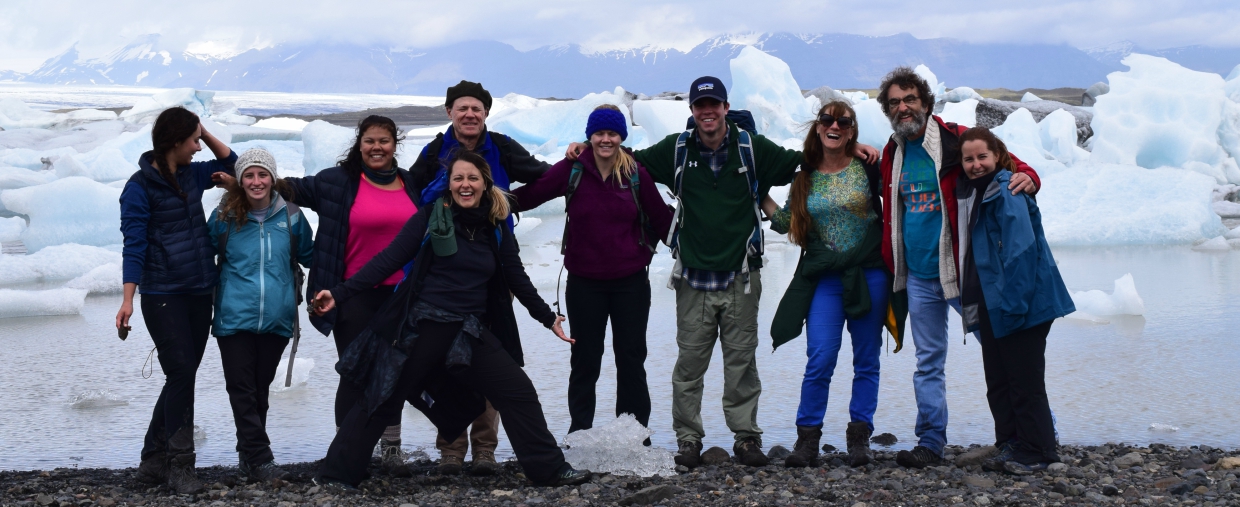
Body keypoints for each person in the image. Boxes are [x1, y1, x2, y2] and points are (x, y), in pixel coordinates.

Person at [563, 77, 877, 468]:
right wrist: (586, 147)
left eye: (714, 105)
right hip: (693, 277)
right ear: (693, 111)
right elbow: (628, 159)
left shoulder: (751, 148)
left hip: (740, 276)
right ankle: (689, 440)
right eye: (700, 106)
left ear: (726, 108)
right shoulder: (677, 149)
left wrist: (851, 145)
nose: (707, 112)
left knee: (742, 363)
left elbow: (801, 159)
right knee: (689, 366)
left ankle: (746, 440)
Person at [309, 150, 590, 490]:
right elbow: (387, 261)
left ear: (485, 183)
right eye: (458, 178)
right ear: (449, 183)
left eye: (472, 178)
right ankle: (336, 474)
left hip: (468, 331)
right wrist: (339, 293)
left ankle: (549, 470)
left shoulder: (495, 224)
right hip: (423, 326)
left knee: (517, 391)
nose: (465, 185)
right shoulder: (430, 216)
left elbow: (515, 275)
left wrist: (547, 318)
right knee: (383, 396)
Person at [874, 66, 1042, 469]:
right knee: (928, 361)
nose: (903, 107)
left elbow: (1008, 163)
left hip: (963, 273)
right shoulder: (892, 153)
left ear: (926, 103)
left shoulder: (956, 141)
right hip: (916, 276)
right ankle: (931, 441)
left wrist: (1029, 178)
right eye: (895, 102)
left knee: (1004, 354)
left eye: (910, 99)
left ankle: (1037, 434)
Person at [408, 80, 551, 474]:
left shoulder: (502, 147)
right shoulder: (435, 151)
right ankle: (451, 449)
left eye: (477, 108)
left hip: (491, 267)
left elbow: (541, 175)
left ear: (486, 113)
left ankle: (485, 449)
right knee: (444, 359)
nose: (470, 114)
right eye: (462, 108)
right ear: (449, 112)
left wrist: (514, 203)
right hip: (441, 269)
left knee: (492, 355)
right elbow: (407, 190)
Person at [510, 105, 674, 436]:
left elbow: (662, 220)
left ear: (621, 137)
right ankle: (580, 432)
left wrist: (701, 243)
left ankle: (632, 433)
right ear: (590, 136)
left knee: (630, 359)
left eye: (612, 133)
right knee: (585, 360)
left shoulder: (635, 174)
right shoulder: (573, 170)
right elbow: (532, 194)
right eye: (599, 133)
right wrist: (487, 203)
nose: (605, 139)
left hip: (630, 283)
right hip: (585, 284)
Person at [280, 115, 420, 472]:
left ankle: (390, 449)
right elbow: (285, 187)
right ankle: (349, 449)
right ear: (360, 144)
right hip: (351, 294)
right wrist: (243, 172)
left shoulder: (411, 184)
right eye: (370, 141)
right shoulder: (337, 183)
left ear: (395, 145)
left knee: (395, 371)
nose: (377, 147)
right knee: (356, 372)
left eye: (384, 141)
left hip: (402, 295)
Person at [116, 106, 235, 494]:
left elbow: (232, 162)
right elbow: (133, 245)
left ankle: (152, 461)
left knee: (180, 376)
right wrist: (127, 300)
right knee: (182, 373)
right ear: (174, 142)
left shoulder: (194, 174)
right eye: (193, 140)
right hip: (162, 294)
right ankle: (181, 465)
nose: (199, 147)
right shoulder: (138, 188)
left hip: (200, 290)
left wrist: (205, 129)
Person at [763, 101, 888, 468]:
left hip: (869, 274)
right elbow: (788, 222)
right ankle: (807, 439)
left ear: (852, 130)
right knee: (820, 357)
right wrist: (758, 194)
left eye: (843, 122)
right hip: (826, 279)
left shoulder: (867, 168)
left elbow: (897, 199)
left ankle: (859, 438)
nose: (835, 126)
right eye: (827, 120)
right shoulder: (805, 176)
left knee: (866, 359)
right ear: (818, 128)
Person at [955, 128, 1074, 474]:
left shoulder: (1007, 191)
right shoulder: (980, 192)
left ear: (997, 156)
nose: (976, 165)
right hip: (997, 303)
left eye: (982, 157)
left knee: (1024, 380)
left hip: (1021, 303)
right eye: (968, 159)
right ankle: (1010, 444)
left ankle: (1037, 451)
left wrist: (1015, 306)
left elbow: (1021, 252)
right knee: (1000, 378)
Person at [208, 148, 314, 483]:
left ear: (272, 178)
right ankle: (262, 459)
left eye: (262, 174)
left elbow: (313, 256)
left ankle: (249, 459)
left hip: (278, 318)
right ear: (240, 181)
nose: (256, 182)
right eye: (249, 176)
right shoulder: (225, 215)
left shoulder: (292, 216)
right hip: (233, 317)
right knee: (241, 389)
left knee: (258, 389)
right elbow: (198, 253)